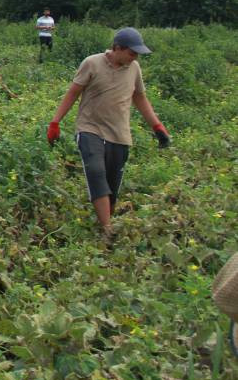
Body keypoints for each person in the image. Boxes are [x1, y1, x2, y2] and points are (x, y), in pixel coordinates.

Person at [46, 27, 170, 244]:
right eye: (132, 53)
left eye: (137, 54)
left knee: (112, 184)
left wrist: (157, 126)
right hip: (89, 128)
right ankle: (107, 229)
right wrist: (55, 122)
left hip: (119, 134)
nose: (135, 57)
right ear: (117, 48)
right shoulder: (92, 63)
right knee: (95, 172)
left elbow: (140, 98)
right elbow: (73, 93)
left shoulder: (134, 69)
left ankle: (105, 219)